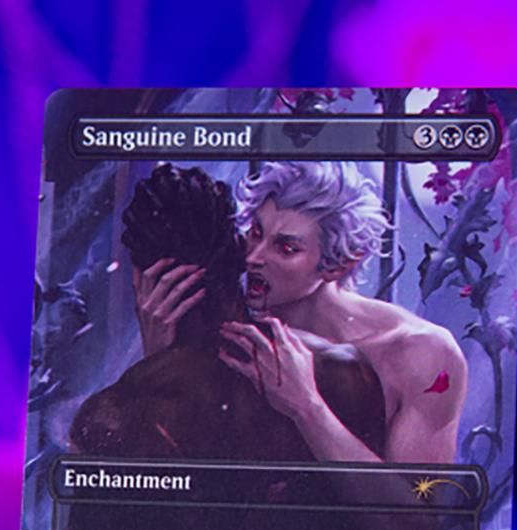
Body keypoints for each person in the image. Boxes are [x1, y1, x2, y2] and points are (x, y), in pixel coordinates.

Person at [137, 160, 468, 466]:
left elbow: (418, 510)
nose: (253, 257)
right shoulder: (230, 331)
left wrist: (308, 408)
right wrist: (161, 360)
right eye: (256, 233)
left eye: (286, 248)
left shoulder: (420, 351)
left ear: (340, 264)